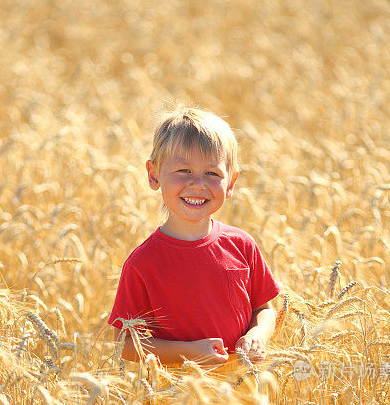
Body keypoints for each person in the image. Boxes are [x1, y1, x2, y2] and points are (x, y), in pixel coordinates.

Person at [109, 105, 280, 369]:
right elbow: (125, 343)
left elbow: (265, 310)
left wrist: (256, 336)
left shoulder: (242, 245)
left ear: (231, 183)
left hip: (241, 392)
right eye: (183, 171)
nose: (198, 184)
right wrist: (189, 353)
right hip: (175, 399)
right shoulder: (143, 263)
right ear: (154, 175)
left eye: (212, 174)